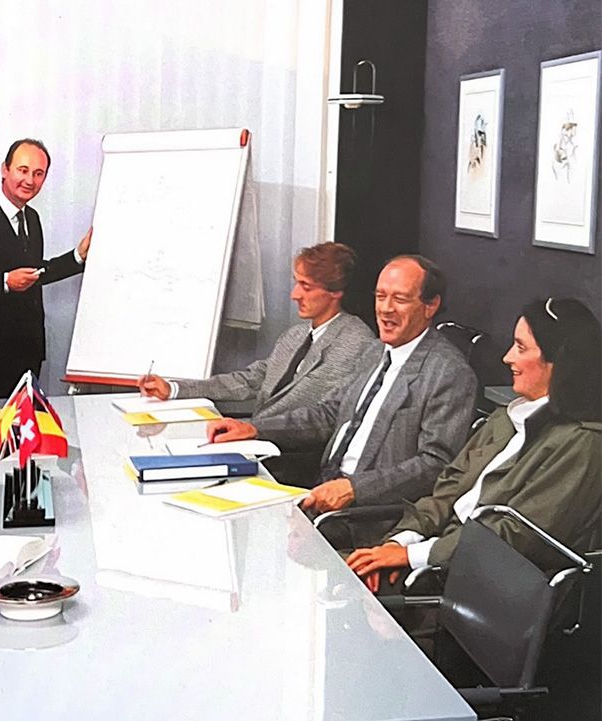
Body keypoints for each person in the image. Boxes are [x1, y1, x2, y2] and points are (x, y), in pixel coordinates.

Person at [347, 298, 601, 591]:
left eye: (521, 348)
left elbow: (515, 538)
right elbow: (446, 490)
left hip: (480, 590)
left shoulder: (584, 443)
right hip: (434, 561)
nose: (507, 358)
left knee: (334, 590)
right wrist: (397, 543)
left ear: (560, 362)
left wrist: (414, 557)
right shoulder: (507, 417)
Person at [206, 255, 478, 514]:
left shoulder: (449, 373)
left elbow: (435, 465)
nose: (385, 308)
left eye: (400, 299)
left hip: (365, 513)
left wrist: (354, 488)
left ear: (430, 305)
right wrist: (254, 428)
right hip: (319, 488)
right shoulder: (375, 351)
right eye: (381, 296)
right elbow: (329, 413)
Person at [138, 242, 374, 420]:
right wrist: (174, 389)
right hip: (261, 440)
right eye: (296, 282)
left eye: (306, 286)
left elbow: (314, 413)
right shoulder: (295, 336)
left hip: (297, 457)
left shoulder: (355, 341)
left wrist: (250, 429)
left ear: (335, 291)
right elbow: (250, 380)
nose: (294, 295)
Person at [0, 138, 92, 400]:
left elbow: (33, 273)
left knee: (28, 435)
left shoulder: (32, 218)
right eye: (23, 170)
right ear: (4, 169)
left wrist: (77, 257)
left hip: (29, 353)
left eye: (38, 173)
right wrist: (4, 282)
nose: (30, 180)